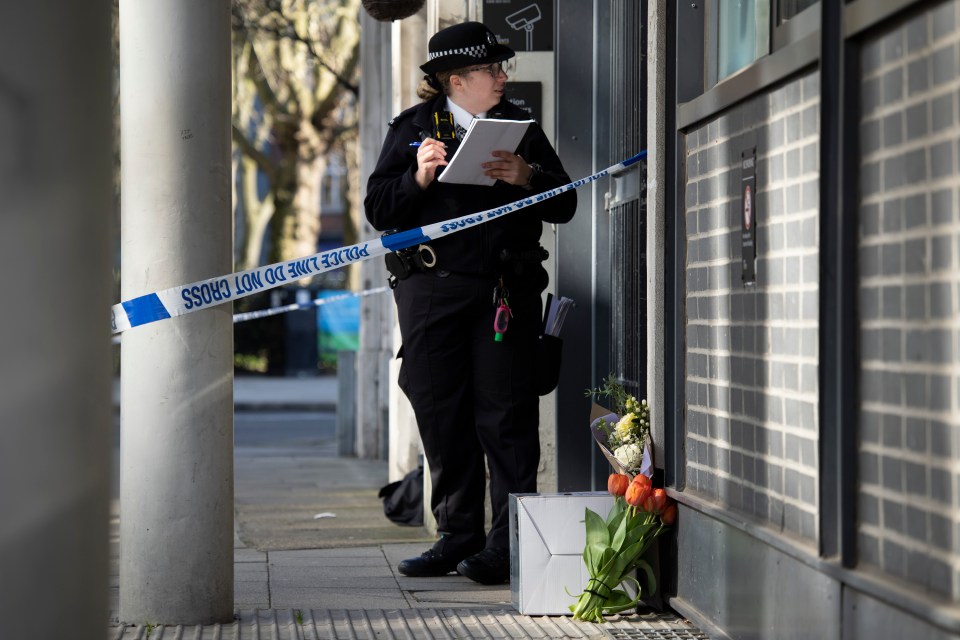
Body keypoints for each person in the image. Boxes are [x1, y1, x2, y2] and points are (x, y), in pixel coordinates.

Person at [364, 21, 577, 585]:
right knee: (441, 413)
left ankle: (506, 546)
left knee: (506, 417)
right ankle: (456, 536)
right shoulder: (412, 129)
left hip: (502, 295)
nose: (503, 76)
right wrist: (418, 178)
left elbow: (566, 202)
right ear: (456, 80)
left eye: (500, 68)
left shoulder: (517, 129)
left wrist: (527, 176)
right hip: (430, 293)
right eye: (492, 69)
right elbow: (381, 210)